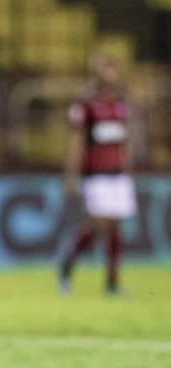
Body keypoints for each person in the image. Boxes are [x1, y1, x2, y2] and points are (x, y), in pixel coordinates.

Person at [58, 51, 137, 295]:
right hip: (95, 174)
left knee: (115, 227)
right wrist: (70, 175)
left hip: (117, 175)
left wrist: (128, 171)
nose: (110, 74)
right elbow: (77, 142)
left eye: (112, 68)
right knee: (99, 226)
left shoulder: (121, 104)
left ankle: (112, 283)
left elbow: (124, 142)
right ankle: (68, 263)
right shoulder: (86, 106)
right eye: (105, 68)